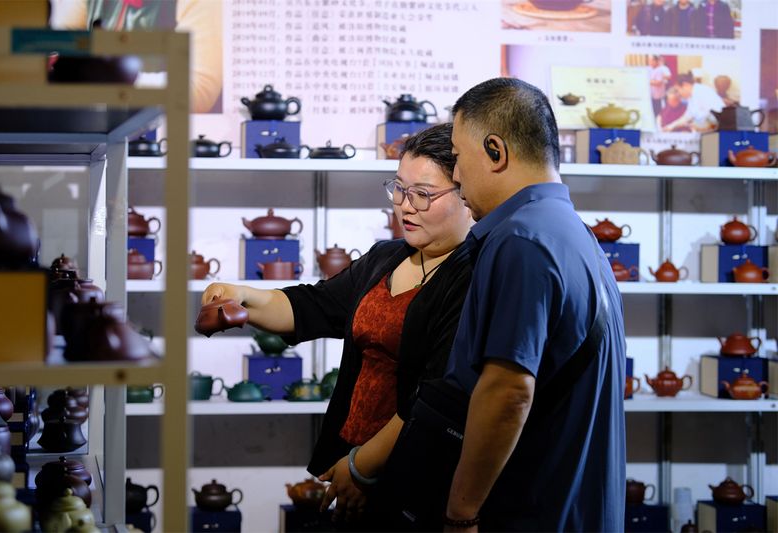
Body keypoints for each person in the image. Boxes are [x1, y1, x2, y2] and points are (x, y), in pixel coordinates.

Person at [380, 78, 627, 531]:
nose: (456, 176)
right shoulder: (569, 232)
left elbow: (509, 392)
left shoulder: (521, 240)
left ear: (495, 151)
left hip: (531, 513)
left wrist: (461, 514)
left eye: (458, 157)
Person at [201, 123, 474, 525]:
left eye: (423, 194)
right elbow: (314, 306)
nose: (405, 206)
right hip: (349, 457)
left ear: (466, 192)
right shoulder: (387, 257)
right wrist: (240, 294)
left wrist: (362, 467)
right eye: (399, 189)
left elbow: (433, 397)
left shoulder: (472, 275)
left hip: (410, 470)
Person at [50, 0, 223, 113]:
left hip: (156, 132)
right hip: (95, 128)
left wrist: (120, 80)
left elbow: (199, 89)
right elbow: (59, 44)